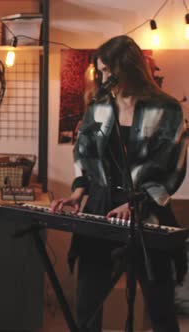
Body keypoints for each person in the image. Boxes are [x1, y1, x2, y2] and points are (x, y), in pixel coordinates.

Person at [50, 35, 188, 332]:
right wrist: (77, 192)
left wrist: (137, 202)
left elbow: (172, 170)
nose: (102, 79)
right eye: (99, 72)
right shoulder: (99, 107)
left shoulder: (168, 109)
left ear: (127, 69)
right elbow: (84, 154)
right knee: (87, 305)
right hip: (100, 207)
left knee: (160, 307)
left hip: (146, 211)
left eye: (106, 72)